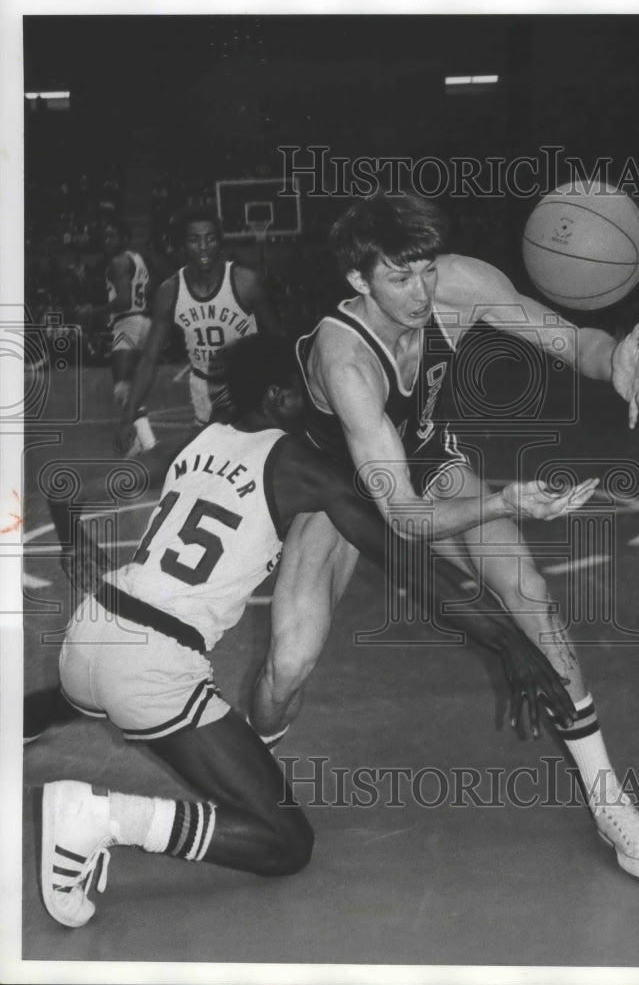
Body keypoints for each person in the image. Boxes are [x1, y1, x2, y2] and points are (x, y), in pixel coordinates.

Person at [35, 334, 589, 928]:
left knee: (75, 701)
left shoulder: (196, 440)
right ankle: (103, 817)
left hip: (90, 632)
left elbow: (66, 488)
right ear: (278, 396)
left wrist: (75, 549)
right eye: (306, 393)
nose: (316, 404)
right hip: (150, 668)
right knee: (285, 840)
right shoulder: (299, 465)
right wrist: (508, 641)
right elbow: (411, 566)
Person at [254, 192, 639, 881]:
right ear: (358, 280)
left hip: (422, 463)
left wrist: (611, 359)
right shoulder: (346, 361)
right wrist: (505, 498)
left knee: (527, 588)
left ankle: (608, 798)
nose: (421, 292)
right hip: (331, 487)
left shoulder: (460, 283)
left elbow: (566, 338)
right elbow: (405, 521)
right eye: (399, 277)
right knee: (290, 661)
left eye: (425, 269)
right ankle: (251, 763)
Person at [116, 206, 283, 448]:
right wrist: (127, 416)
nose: (203, 246)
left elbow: (277, 340)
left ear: (220, 243)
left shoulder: (246, 283)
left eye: (210, 238)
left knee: (253, 455)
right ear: (182, 246)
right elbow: (149, 360)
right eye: (194, 240)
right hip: (204, 385)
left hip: (249, 382)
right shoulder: (169, 292)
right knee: (209, 461)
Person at [74, 219, 157, 455]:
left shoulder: (117, 262)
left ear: (124, 238)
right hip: (144, 322)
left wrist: (93, 311)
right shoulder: (137, 258)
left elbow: (123, 301)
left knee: (123, 390)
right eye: (105, 237)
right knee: (133, 386)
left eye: (112, 236)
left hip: (128, 323)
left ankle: (149, 445)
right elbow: (148, 292)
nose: (107, 241)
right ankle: (140, 444)